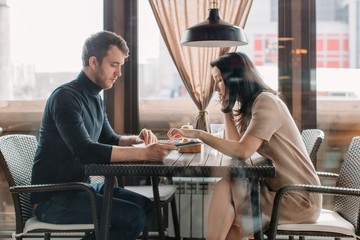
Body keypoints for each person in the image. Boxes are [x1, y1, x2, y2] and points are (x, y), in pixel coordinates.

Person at [30, 30, 178, 240]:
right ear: (93, 62)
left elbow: (110, 139)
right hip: (53, 198)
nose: (119, 72)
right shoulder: (65, 97)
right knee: (133, 217)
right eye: (114, 64)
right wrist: (146, 153)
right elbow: (85, 151)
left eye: (121, 66)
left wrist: (138, 140)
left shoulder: (96, 99)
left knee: (145, 207)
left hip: (80, 189)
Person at [167, 52, 322, 240]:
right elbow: (237, 147)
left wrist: (199, 133)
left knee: (230, 199)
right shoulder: (255, 103)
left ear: (235, 79)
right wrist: (226, 110)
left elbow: (242, 151)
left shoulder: (266, 102)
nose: (216, 88)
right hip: (276, 190)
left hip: (296, 198)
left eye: (219, 80)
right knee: (229, 200)